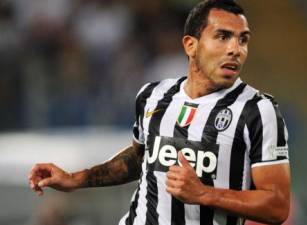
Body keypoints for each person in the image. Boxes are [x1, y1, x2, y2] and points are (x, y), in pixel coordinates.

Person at [29, 1, 291, 225]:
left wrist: (203, 194)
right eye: (222, 37)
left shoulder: (258, 110)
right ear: (191, 45)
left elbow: (277, 205)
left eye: (242, 39)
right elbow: (139, 157)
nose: (236, 49)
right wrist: (75, 179)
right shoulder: (153, 95)